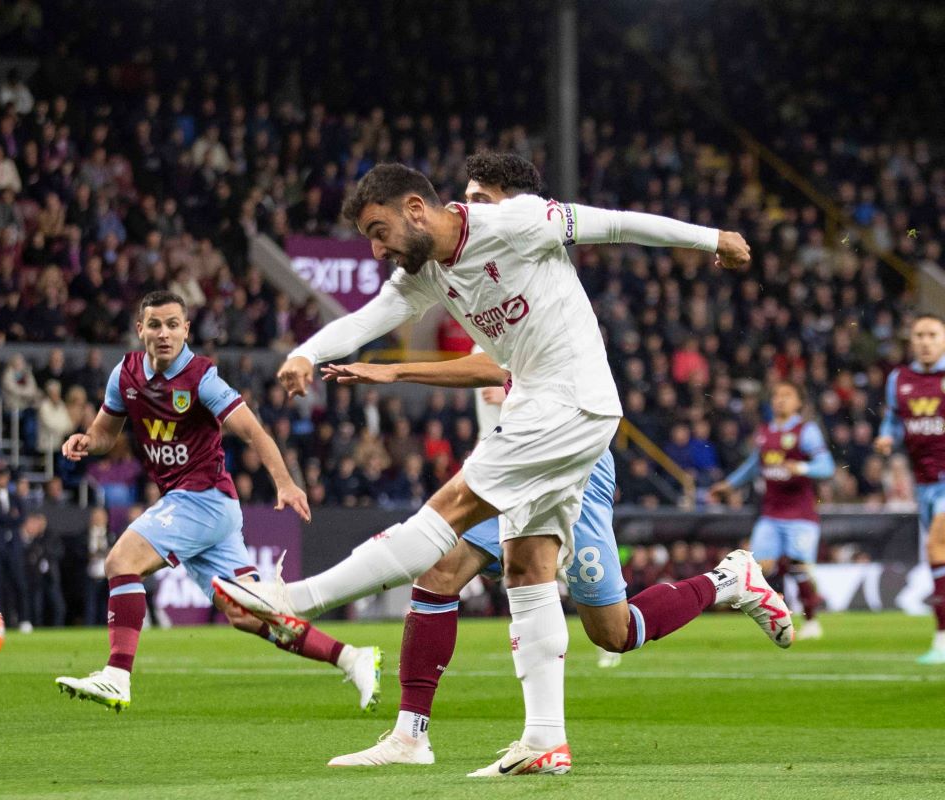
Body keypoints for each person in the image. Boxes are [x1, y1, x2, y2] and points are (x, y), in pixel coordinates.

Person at [214, 161, 788, 777]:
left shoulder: (515, 221)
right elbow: (368, 318)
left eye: (379, 232)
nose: (377, 249)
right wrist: (305, 353)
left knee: (449, 519)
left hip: (567, 403)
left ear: (414, 208)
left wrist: (713, 239)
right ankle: (544, 739)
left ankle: (295, 600)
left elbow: (617, 225)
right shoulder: (428, 271)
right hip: (547, 409)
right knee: (529, 568)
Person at [55, 291, 380, 713]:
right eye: (155, 324)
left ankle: (117, 676)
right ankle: (352, 658)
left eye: (173, 324)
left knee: (121, 561)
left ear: (187, 330)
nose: (164, 333)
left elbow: (254, 432)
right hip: (208, 508)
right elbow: (105, 433)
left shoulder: (202, 377)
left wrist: (285, 483)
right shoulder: (125, 374)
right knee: (246, 614)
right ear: (140, 331)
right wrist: (86, 441)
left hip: (202, 499)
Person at [711, 381, 835, 640]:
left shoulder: (806, 431)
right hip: (770, 513)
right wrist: (729, 484)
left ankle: (811, 621)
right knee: (759, 568)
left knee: (798, 566)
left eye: (787, 395)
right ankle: (777, 616)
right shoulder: (765, 431)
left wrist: (802, 468)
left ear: (799, 402)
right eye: (777, 395)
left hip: (800, 513)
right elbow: (754, 465)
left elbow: (827, 466)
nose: (780, 400)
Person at [875, 313, 945, 664]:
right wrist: (888, 436)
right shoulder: (899, 379)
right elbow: (893, 418)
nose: (925, 341)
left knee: (936, 545)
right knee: (941, 557)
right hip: (925, 482)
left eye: (932, 334)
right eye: (919, 334)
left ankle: (942, 637)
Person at [0, 464, 31, 631]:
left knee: (19, 583)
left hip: (13, 547)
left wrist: (2, 516)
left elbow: (21, 518)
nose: (2, 479)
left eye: (4, 476)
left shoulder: (15, 498)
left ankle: (24, 619)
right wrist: (10, 517)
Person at [23, 512, 65, 627]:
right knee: (37, 607)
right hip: (35, 579)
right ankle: (37, 628)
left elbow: (59, 552)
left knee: (58, 607)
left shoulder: (52, 536)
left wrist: (45, 553)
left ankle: (58, 628)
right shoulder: (30, 538)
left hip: (51, 577)